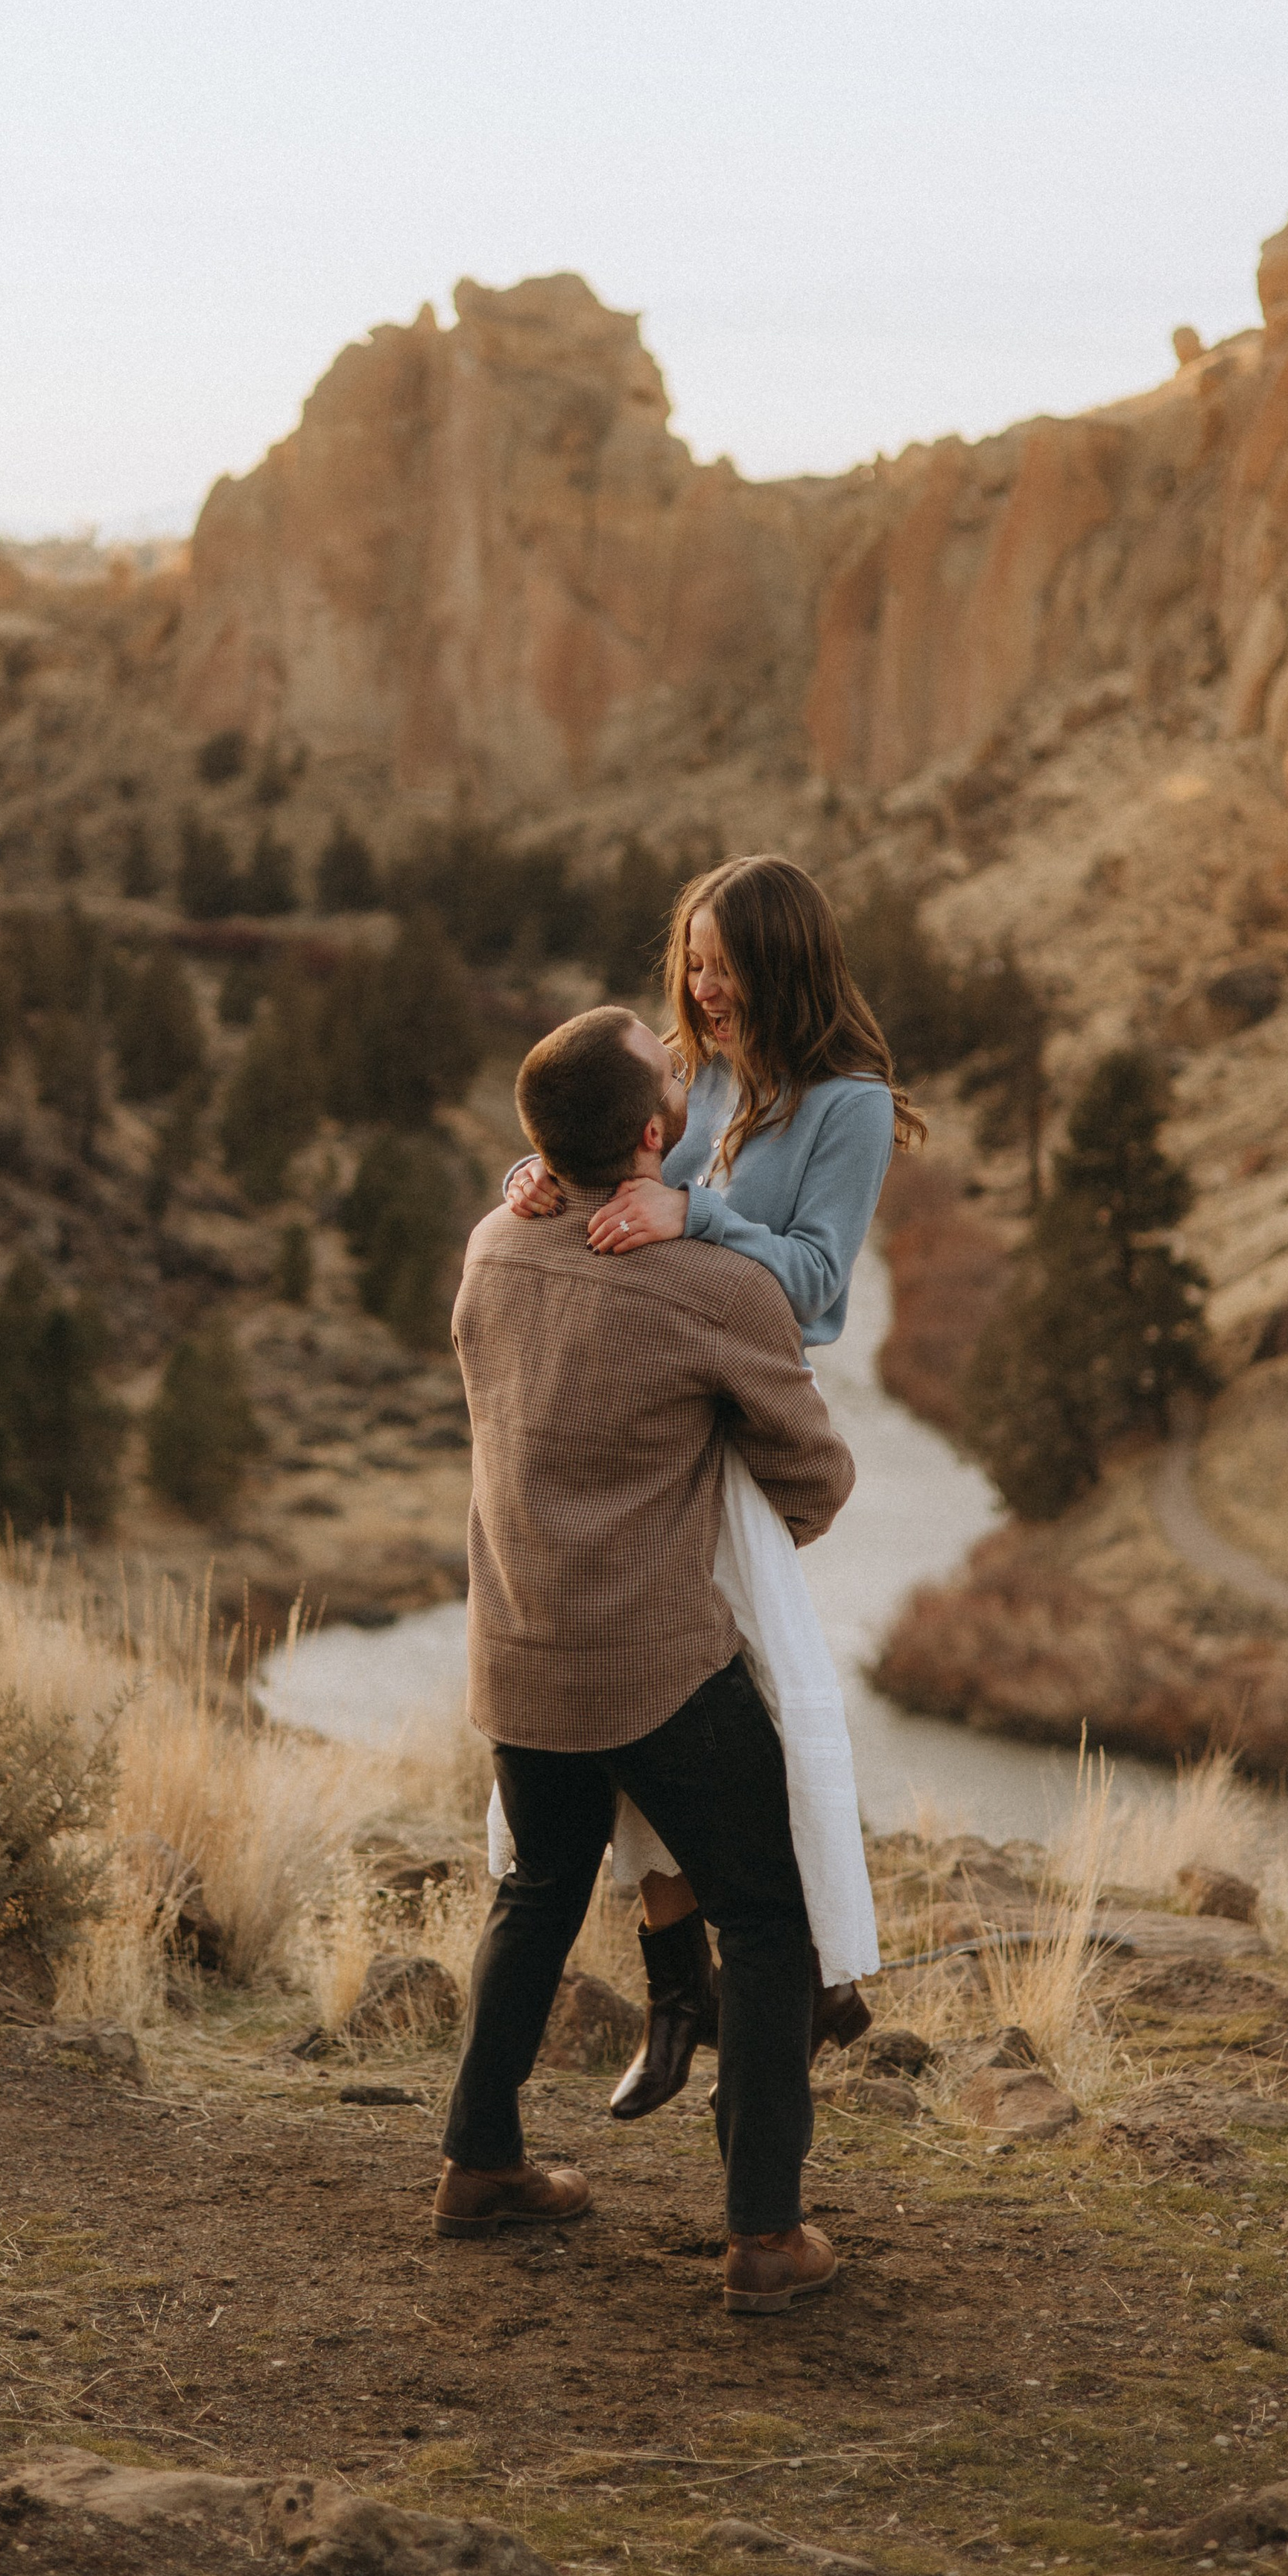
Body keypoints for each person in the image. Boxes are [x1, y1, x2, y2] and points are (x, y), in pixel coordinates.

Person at [437, 1001, 855, 2314]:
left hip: (519, 1651)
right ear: (651, 1138)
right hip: (660, 1668)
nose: (688, 1066)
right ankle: (764, 2233)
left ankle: (478, 2163)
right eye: (671, 1068)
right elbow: (817, 1475)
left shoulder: (493, 1245)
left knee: (539, 1888)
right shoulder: (711, 1289)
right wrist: (727, 1531)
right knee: (770, 1916)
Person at [498, 853, 925, 2117]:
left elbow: (818, 1286)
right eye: (691, 963)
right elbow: (614, 1167)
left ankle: (796, 1983)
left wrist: (698, 1219)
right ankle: (683, 1981)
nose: (701, 988)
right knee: (635, 1698)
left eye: (724, 967)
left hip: (738, 1431)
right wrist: (539, 1181)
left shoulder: (849, 1104)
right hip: (648, 1424)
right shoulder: (700, 1073)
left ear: (783, 964)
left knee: (759, 1715)